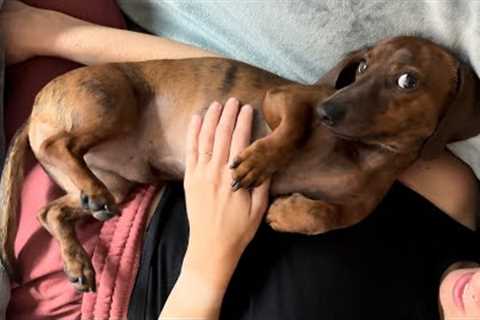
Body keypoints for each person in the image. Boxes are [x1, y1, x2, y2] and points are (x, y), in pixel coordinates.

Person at [0, 1, 478, 319]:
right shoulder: (453, 197)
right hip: (99, 126)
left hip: (86, 276)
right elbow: (228, 84)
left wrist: (210, 256)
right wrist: (58, 34)